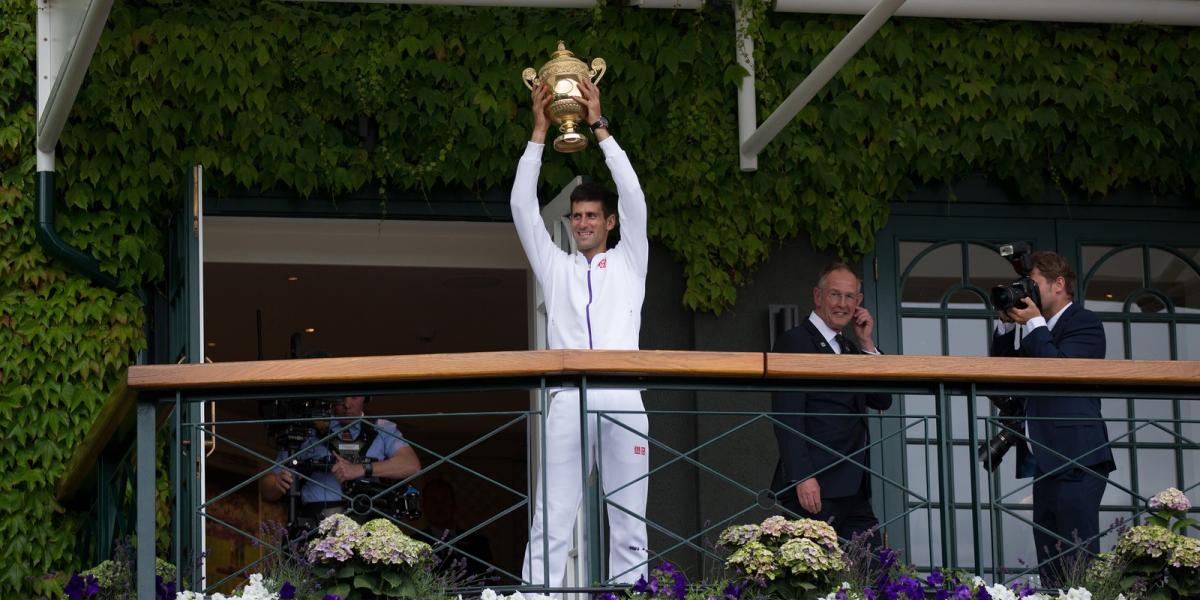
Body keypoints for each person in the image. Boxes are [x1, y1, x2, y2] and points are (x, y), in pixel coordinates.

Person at [512, 78, 650, 587]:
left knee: (629, 518)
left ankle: (629, 595)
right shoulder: (556, 267)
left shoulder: (631, 260)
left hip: (623, 395)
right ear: (569, 223)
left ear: (610, 222)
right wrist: (539, 132)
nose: (584, 223)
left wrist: (599, 126)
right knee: (553, 514)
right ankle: (536, 598)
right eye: (577, 216)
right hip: (569, 398)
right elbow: (523, 209)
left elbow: (634, 194)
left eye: (593, 215)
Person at [988, 251, 1114, 586]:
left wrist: (1032, 323)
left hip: (1078, 458)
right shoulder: (1034, 329)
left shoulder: (1085, 323)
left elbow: (1058, 371)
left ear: (1059, 284)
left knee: (1078, 559)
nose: (1026, 292)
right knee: (1051, 562)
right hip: (1044, 461)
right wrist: (1004, 322)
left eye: (1034, 284)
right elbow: (1000, 373)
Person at [771, 263, 892, 545]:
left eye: (850, 297)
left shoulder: (850, 347)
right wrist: (803, 477)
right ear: (818, 296)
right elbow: (787, 416)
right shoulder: (795, 341)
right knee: (811, 580)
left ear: (859, 302)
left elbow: (882, 398)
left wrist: (866, 344)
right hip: (816, 486)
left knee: (871, 573)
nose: (842, 304)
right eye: (835, 295)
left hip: (854, 485)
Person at [260, 395, 421, 527]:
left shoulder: (382, 428)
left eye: (355, 396)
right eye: (340, 397)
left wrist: (361, 469)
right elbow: (266, 487)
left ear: (366, 396)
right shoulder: (308, 430)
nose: (347, 404)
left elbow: (411, 465)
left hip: (367, 526)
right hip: (317, 526)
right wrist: (276, 484)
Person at [422, 478, 494, 579]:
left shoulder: (478, 544)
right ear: (424, 505)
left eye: (444, 499)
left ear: (454, 504)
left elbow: (489, 582)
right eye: (433, 500)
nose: (439, 506)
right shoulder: (413, 543)